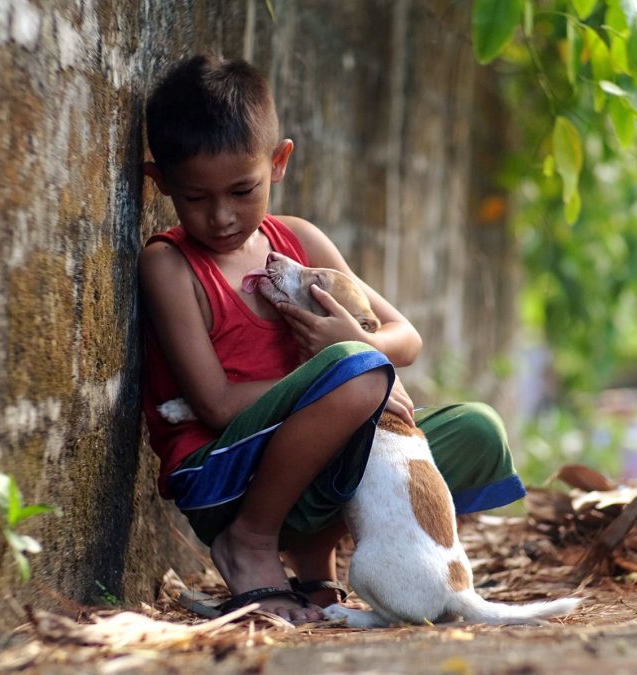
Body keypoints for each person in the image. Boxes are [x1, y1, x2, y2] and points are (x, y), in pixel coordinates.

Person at [139, 54, 526, 623]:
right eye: (195, 198)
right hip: (224, 477)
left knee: (475, 430)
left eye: (242, 191)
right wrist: (342, 374)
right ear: (162, 183)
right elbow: (216, 404)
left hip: (315, 469)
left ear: (279, 163)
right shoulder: (170, 266)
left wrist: (352, 347)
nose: (221, 217)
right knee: (357, 376)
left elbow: (406, 338)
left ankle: (318, 563)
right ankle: (251, 541)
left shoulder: (297, 239)